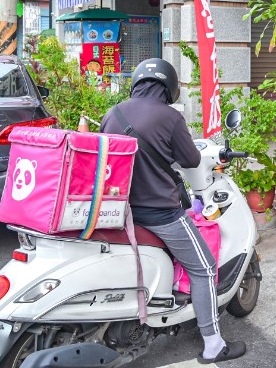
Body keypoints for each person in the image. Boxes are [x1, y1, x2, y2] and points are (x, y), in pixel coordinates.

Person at [101, 59, 246, 363]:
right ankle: (213, 345)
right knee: (205, 266)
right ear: (169, 87)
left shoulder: (111, 115)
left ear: (137, 82)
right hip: (161, 215)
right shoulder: (169, 117)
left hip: (123, 215)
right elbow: (192, 160)